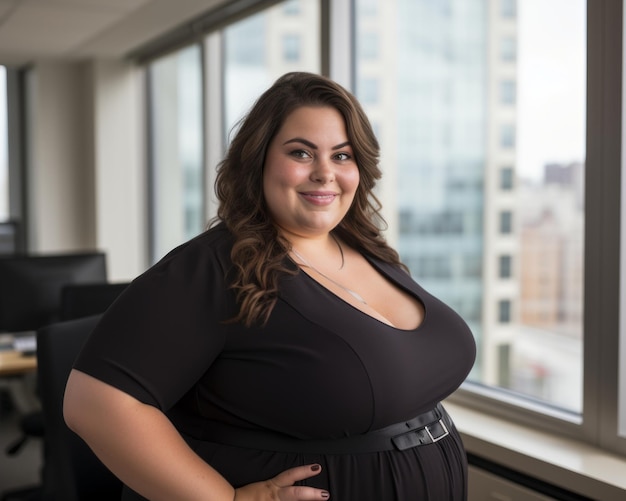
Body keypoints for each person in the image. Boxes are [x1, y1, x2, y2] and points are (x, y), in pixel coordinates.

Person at [63, 71, 476, 501]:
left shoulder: (367, 249)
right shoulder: (213, 267)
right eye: (301, 153)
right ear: (258, 160)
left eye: (342, 155)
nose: (324, 173)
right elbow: (94, 404)